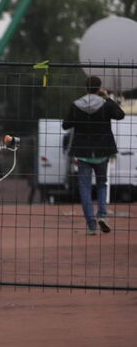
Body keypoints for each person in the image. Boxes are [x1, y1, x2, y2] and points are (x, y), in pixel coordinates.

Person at [62, 76, 125, 235]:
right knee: (102, 183)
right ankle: (102, 214)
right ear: (99, 88)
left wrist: (80, 121)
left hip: (82, 153)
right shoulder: (105, 105)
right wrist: (108, 98)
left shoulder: (76, 105)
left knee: (85, 188)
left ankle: (91, 225)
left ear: (86, 88)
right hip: (102, 152)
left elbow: (65, 125)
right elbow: (120, 115)